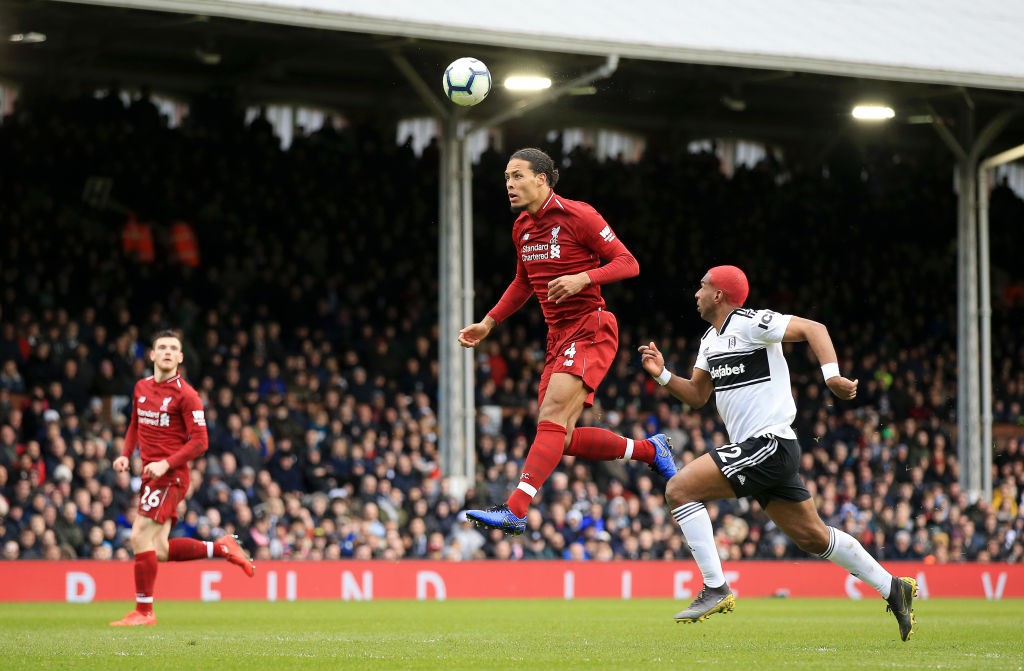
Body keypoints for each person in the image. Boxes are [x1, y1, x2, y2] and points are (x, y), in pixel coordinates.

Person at [638, 265, 917, 641]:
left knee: (679, 489)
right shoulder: (709, 340)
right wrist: (662, 375)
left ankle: (715, 587)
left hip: (768, 443)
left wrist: (831, 376)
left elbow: (814, 329)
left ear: (719, 294)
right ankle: (893, 588)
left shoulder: (752, 323)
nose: (696, 293)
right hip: (763, 452)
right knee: (814, 538)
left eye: (702, 287)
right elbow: (697, 396)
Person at [459, 147, 676, 535]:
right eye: (506, 177)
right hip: (557, 336)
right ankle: (649, 450)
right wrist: (488, 323)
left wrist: (584, 278)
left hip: (590, 326)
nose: (509, 184)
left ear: (542, 178)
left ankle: (516, 509)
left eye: (517, 176)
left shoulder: (580, 215)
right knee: (564, 438)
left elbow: (629, 263)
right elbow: (523, 282)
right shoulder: (522, 227)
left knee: (551, 419)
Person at [109, 329, 254, 627]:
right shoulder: (141, 387)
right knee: (158, 549)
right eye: (161, 347)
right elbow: (135, 424)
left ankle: (144, 612)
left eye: (172, 349)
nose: (166, 352)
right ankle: (222, 547)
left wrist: (166, 464)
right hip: (152, 475)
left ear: (180, 357)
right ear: (151, 354)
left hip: (172, 476)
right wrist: (126, 453)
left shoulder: (187, 395)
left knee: (139, 536)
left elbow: (201, 442)